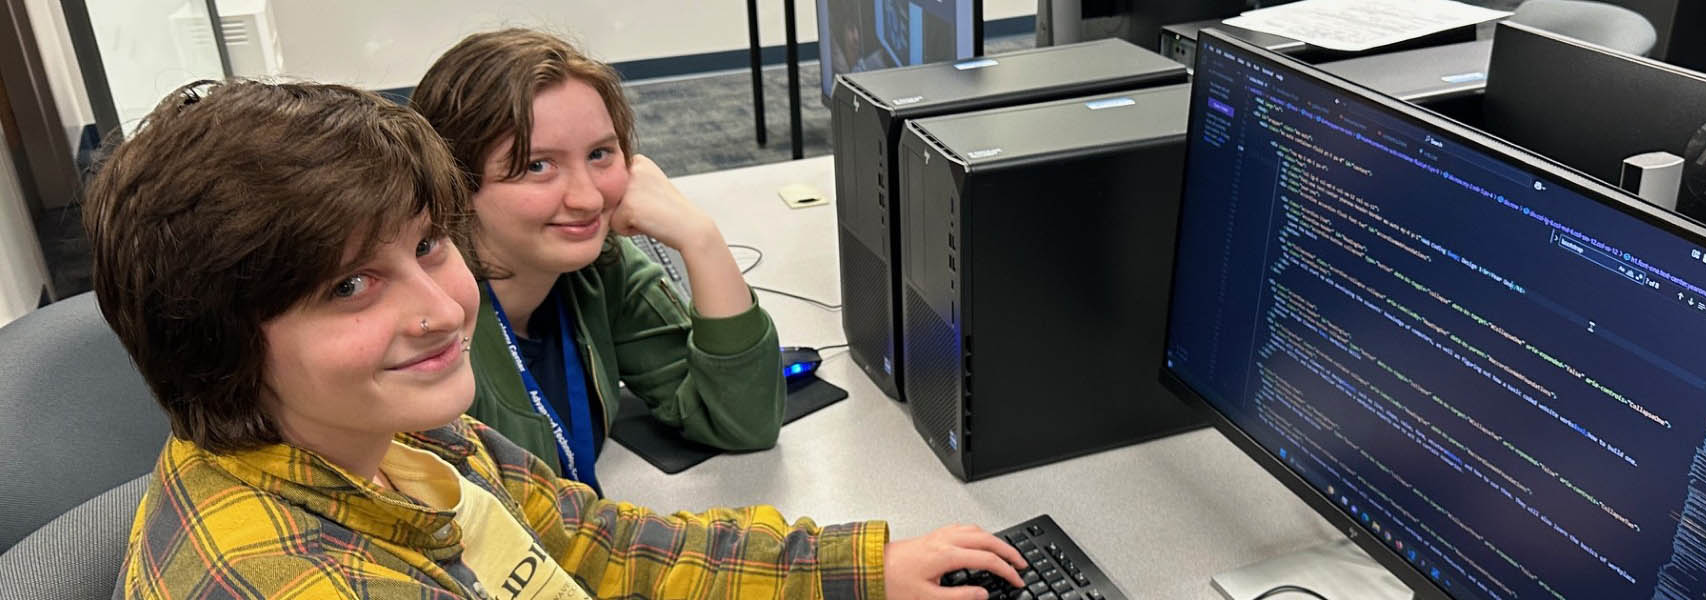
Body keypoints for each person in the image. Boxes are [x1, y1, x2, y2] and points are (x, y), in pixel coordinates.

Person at [92, 79, 1026, 599]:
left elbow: (594, 542)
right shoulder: (295, 581)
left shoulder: (399, 436)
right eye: (350, 286)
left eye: (427, 246)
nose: (441, 308)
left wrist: (854, 569)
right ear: (214, 340)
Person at [408, 29, 782, 490]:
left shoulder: (599, 268)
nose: (587, 199)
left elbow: (744, 422)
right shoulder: (426, 328)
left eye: (601, 154)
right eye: (537, 166)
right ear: (455, 184)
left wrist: (701, 240)